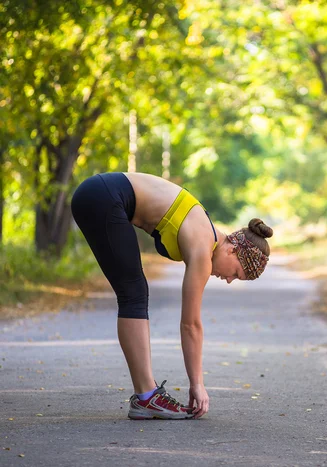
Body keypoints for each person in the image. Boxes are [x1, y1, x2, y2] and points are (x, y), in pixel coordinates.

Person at [70, 172, 272, 420]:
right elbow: (191, 324)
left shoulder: (205, 233)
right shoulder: (203, 247)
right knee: (133, 293)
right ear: (232, 249)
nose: (229, 280)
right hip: (103, 196)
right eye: (236, 274)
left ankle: (146, 395)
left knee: (133, 292)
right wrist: (197, 384)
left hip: (98, 193)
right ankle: (146, 397)